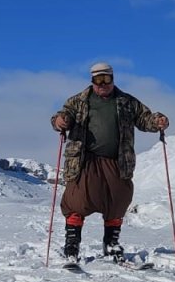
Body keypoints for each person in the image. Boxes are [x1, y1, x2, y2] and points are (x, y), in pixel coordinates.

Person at [51, 62, 169, 264]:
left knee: (118, 200)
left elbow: (144, 118)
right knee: (77, 200)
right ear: (92, 80)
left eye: (106, 79)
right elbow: (62, 117)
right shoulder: (78, 101)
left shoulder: (127, 102)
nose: (102, 83)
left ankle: (111, 243)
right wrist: (60, 121)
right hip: (85, 160)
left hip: (117, 161)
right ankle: (72, 243)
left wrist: (158, 120)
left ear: (113, 79)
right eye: (98, 79)